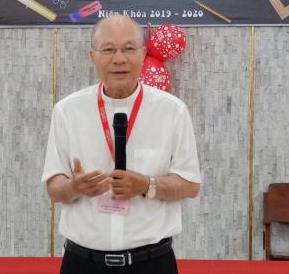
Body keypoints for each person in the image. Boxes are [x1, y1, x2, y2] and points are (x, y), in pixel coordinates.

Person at [42, 15, 201, 274]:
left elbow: (190, 185)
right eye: (108, 49)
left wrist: (147, 185)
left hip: (152, 264)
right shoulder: (67, 111)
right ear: (92, 56)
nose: (119, 59)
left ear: (143, 53)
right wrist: (74, 187)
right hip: (82, 264)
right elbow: (54, 188)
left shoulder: (172, 111)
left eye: (128, 48)